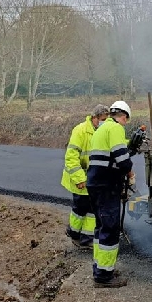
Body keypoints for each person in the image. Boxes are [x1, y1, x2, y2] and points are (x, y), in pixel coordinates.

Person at [86, 100, 134, 288]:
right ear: (123, 117)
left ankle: (101, 268)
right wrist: (130, 173)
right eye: (126, 121)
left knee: (100, 227)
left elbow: (108, 155)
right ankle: (104, 277)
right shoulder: (115, 129)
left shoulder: (101, 129)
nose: (125, 124)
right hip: (107, 185)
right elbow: (122, 158)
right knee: (110, 228)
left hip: (96, 184)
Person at [61, 104, 110, 249]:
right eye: (102, 119)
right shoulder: (80, 130)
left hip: (93, 178)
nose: (104, 122)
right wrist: (79, 178)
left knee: (91, 209)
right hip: (80, 179)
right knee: (80, 208)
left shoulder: (102, 131)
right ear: (94, 118)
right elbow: (71, 157)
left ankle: (86, 238)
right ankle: (74, 233)